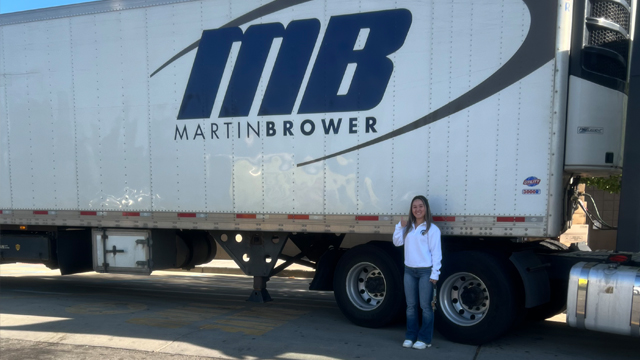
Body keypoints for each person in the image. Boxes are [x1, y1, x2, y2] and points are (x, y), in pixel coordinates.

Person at [393, 195, 442, 350]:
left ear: (426, 208)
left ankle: (425, 338)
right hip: (409, 271)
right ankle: (410, 336)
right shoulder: (408, 228)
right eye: (415, 207)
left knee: (426, 306)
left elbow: (436, 253)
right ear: (411, 209)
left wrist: (435, 273)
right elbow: (397, 242)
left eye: (421, 206)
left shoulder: (432, 229)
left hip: (425, 272)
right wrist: (399, 226)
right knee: (411, 306)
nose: (418, 209)